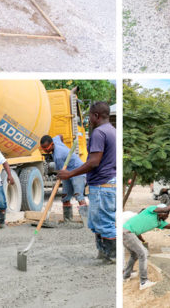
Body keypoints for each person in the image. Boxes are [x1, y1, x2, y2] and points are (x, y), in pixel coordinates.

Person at [58, 102, 116, 262]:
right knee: (97, 222)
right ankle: (103, 253)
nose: (88, 119)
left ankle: (111, 257)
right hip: (106, 184)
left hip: (103, 185)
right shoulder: (112, 131)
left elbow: (93, 162)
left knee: (105, 223)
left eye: (89, 115)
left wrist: (70, 174)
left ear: (96, 116)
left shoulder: (99, 133)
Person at [123, 202, 170, 290]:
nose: (167, 216)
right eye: (166, 214)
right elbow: (165, 209)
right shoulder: (150, 210)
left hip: (127, 233)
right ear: (160, 212)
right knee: (143, 253)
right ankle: (144, 282)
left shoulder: (159, 222)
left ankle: (126, 276)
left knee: (134, 254)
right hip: (127, 232)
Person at [40, 134, 87, 225]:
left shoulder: (59, 156)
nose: (45, 150)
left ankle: (86, 221)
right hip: (66, 172)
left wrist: (56, 184)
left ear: (52, 144)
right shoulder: (55, 140)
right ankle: (68, 221)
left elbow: (61, 173)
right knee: (65, 196)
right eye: (43, 148)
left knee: (78, 195)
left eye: (46, 147)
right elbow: (60, 136)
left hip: (77, 171)